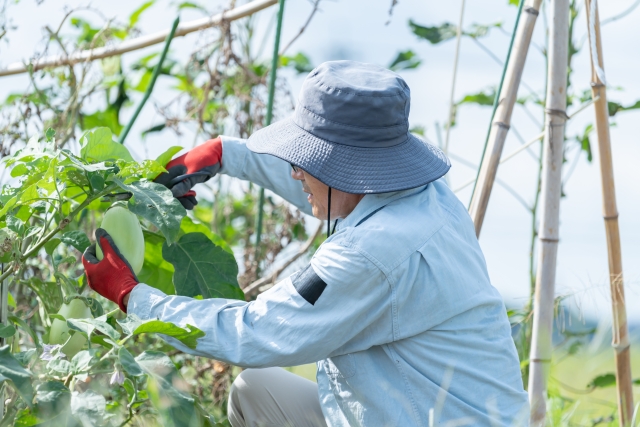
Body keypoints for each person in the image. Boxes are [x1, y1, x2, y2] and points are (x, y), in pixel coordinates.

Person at [83, 61, 530, 426]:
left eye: (306, 159)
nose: (295, 170)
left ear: (345, 166)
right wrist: (225, 153)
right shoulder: (425, 195)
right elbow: (332, 187)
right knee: (257, 393)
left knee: (256, 374)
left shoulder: (370, 255)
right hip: (429, 410)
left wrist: (134, 298)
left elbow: (256, 333)